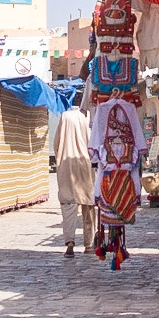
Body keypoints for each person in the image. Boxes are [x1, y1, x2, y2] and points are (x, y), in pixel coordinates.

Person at [54, 100, 94, 256]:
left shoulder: (64, 116)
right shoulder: (86, 118)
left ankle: (70, 242)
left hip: (66, 164)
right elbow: (92, 142)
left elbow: (56, 143)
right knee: (88, 205)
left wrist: (59, 159)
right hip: (85, 164)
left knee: (68, 205)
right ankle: (89, 244)